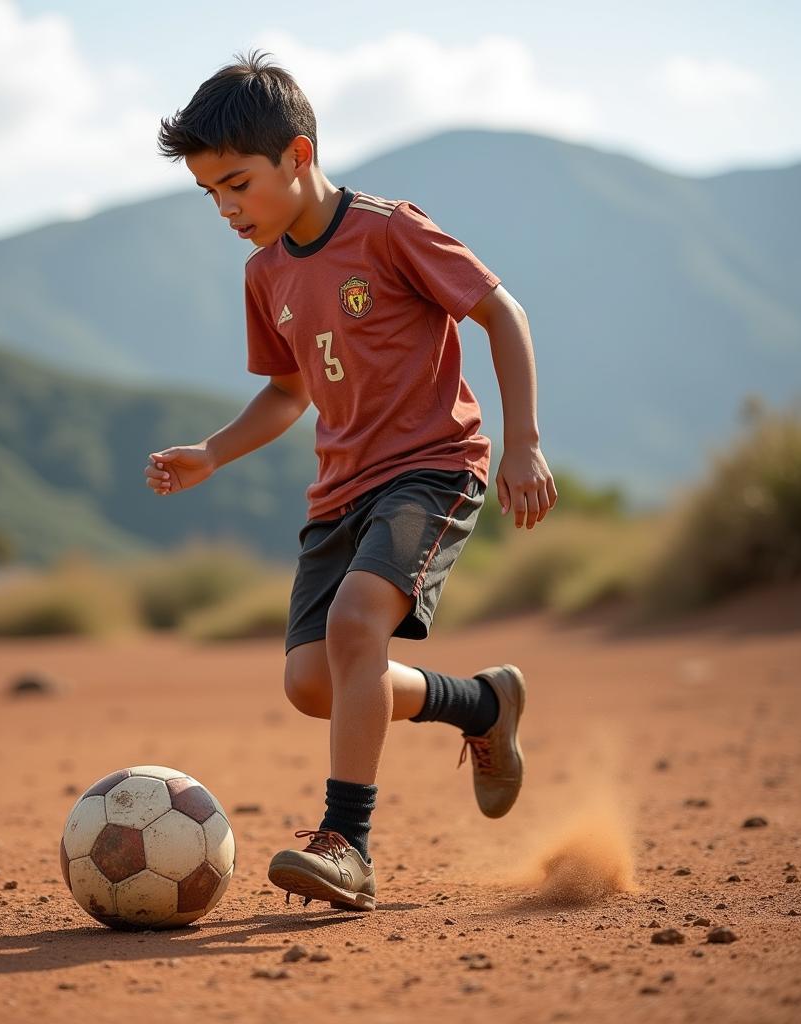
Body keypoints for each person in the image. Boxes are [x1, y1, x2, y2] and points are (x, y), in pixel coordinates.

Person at [148, 51, 557, 912]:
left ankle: (349, 846)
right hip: (339, 492)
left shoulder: (389, 229)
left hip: (433, 466)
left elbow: (501, 312)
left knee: (356, 621)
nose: (225, 208)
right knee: (313, 682)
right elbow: (289, 390)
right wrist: (214, 452)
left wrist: (523, 442)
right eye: (209, 194)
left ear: (297, 157)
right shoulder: (265, 273)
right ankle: (482, 705)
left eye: (237, 184)